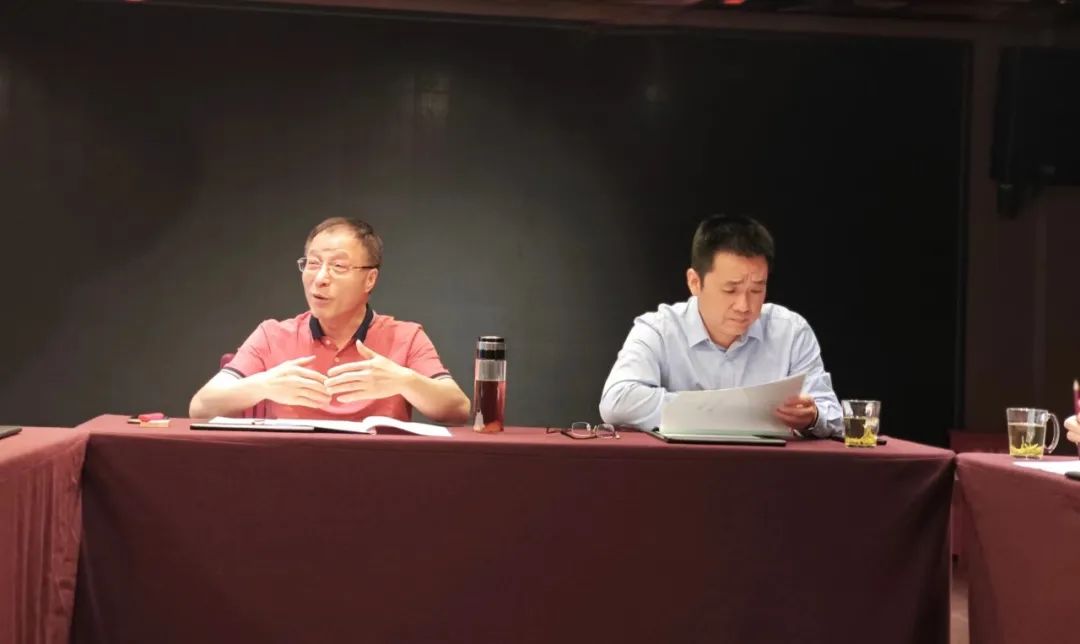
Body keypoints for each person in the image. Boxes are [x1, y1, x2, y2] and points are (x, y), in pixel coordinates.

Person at [189, 217, 470, 423]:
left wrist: (403, 381)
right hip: (289, 473)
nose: (321, 278)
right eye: (313, 264)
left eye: (338, 266)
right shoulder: (272, 335)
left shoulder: (406, 337)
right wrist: (264, 385)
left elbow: (458, 409)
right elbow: (201, 407)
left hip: (379, 476)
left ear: (370, 279)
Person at [599, 214, 842, 437]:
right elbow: (617, 401)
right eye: (730, 290)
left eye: (756, 290)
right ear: (695, 282)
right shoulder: (659, 330)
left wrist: (813, 417)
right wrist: (726, 413)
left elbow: (833, 414)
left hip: (767, 466)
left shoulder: (791, 331)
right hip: (682, 465)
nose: (744, 306)